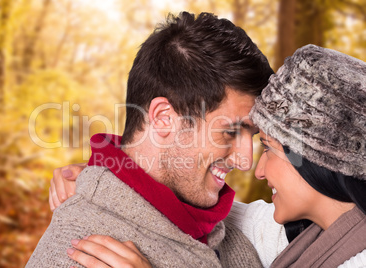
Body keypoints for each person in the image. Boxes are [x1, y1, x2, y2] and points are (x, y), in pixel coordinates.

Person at [51, 44, 366, 268]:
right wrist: (110, 177)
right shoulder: (292, 235)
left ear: (319, 161)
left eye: (267, 147)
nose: (250, 165)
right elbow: (212, 216)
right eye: (231, 132)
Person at [26, 11, 275, 267]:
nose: (246, 161)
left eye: (251, 135)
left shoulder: (234, 242)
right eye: (231, 131)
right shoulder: (79, 254)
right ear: (164, 118)